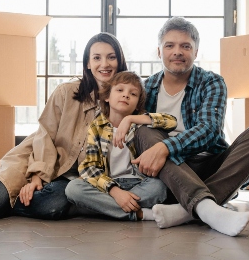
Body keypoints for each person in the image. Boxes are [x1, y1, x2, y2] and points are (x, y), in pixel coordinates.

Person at [0, 32, 128, 220]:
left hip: (69, 179)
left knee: (53, 206)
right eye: (97, 58)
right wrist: (37, 177)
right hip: (34, 159)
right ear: (88, 63)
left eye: (111, 57)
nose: (104, 64)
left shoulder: (125, 101)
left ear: (119, 61)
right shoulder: (66, 92)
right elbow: (45, 135)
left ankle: (4, 204)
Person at [131, 17, 249, 236]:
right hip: (169, 171)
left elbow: (209, 130)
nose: (177, 51)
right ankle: (207, 208)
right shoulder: (145, 88)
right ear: (159, 52)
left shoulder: (211, 82)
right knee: (143, 130)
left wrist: (165, 147)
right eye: (170, 45)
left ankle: (187, 210)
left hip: (208, 163)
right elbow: (138, 138)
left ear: (195, 52)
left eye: (185, 46)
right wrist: (160, 149)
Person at [65, 71, 177, 221]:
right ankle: (140, 213)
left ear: (138, 104)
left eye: (133, 94)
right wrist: (115, 192)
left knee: (159, 188)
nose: (126, 95)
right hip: (109, 185)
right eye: (120, 90)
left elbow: (172, 121)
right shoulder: (96, 127)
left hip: (139, 182)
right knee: (74, 189)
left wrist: (131, 119)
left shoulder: (139, 125)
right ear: (106, 97)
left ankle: (103, 209)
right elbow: (89, 167)